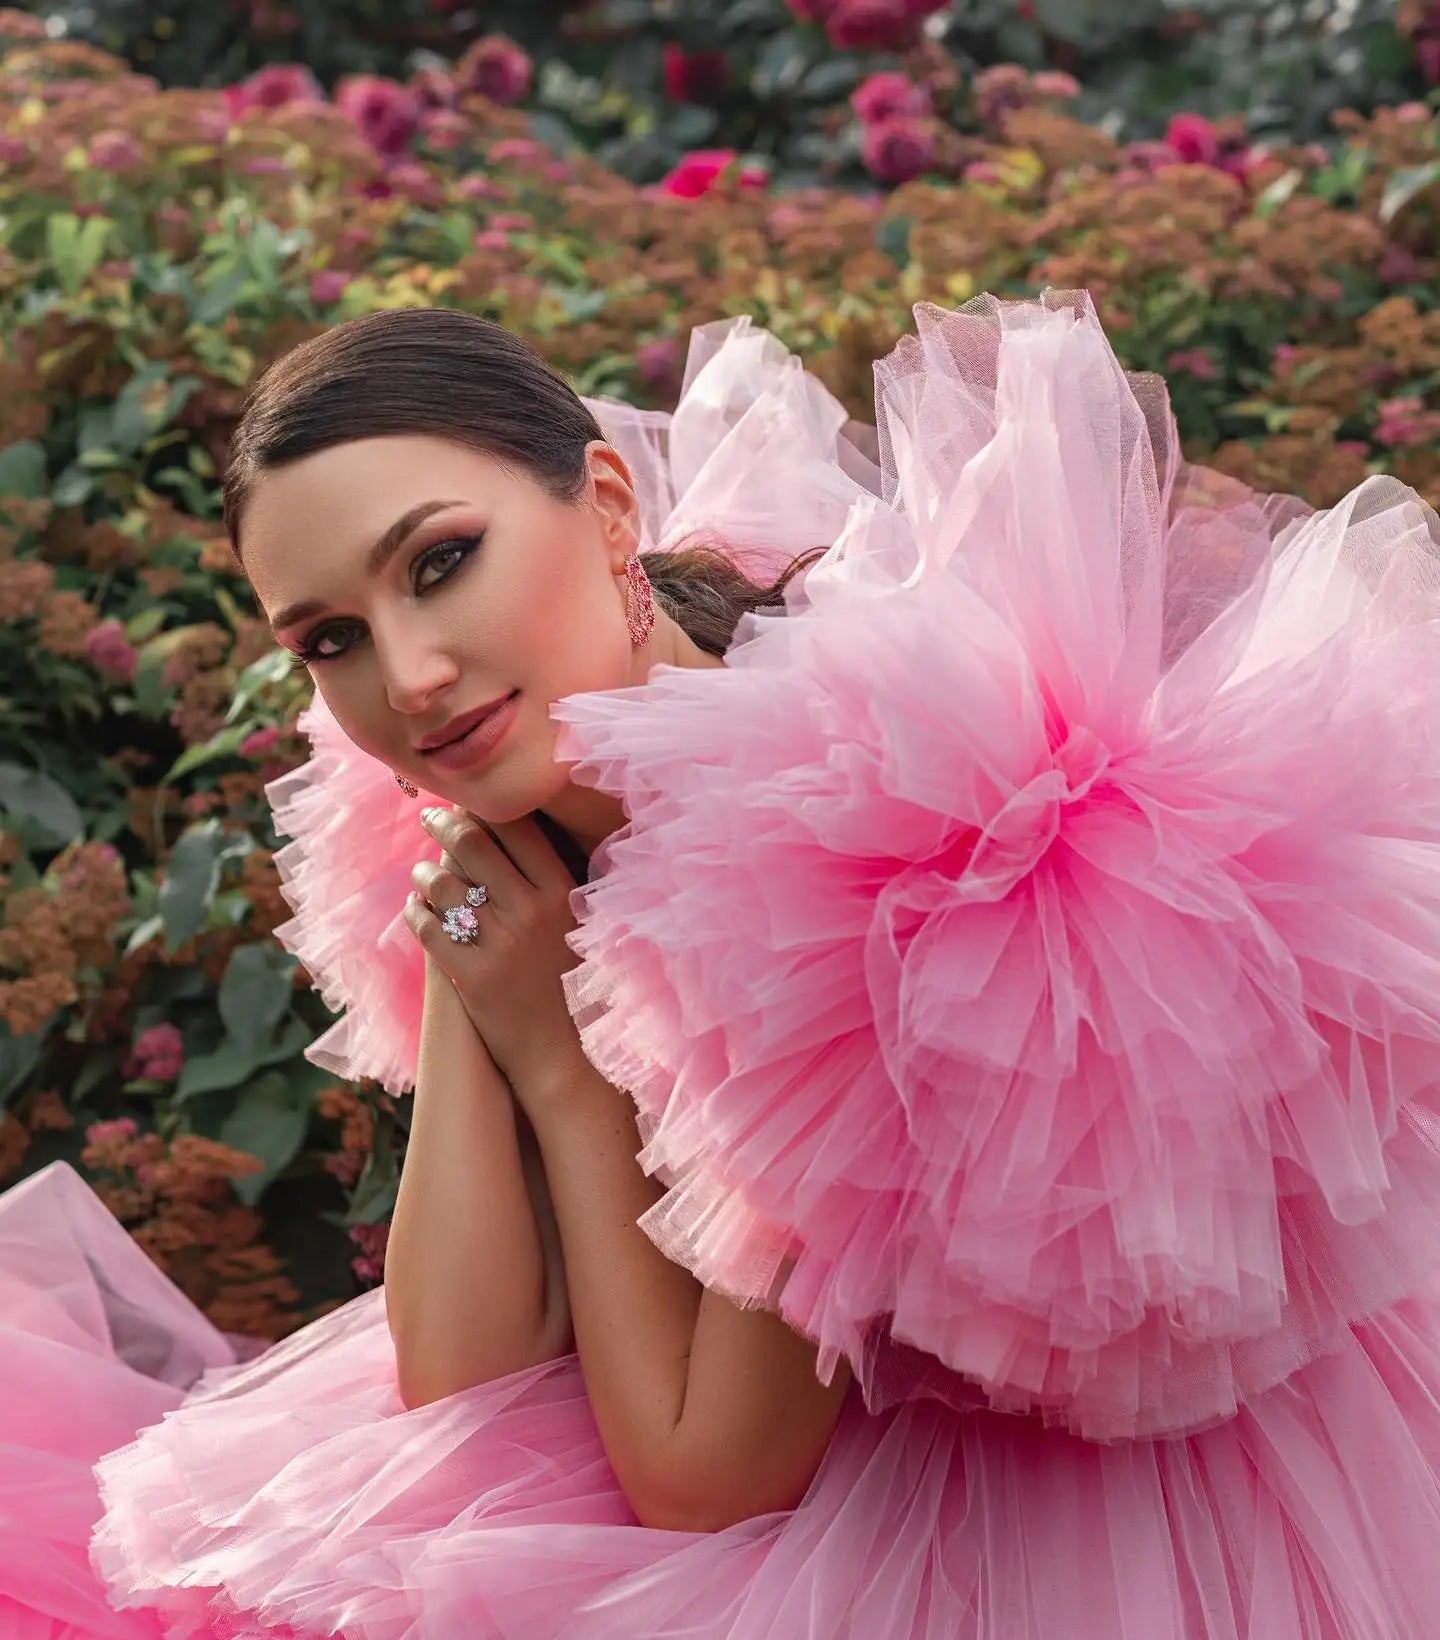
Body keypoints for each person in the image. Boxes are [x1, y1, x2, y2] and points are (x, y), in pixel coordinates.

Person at [4, 289, 1440, 1640]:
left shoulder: (829, 843)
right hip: (729, 1436)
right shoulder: (489, 800)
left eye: (442, 562)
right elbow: (458, 1383)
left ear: (609, 507)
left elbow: (710, 1479)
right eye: (334, 640)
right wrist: (468, 969)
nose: (413, 675)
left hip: (1063, 1508)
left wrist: (563, 1072)